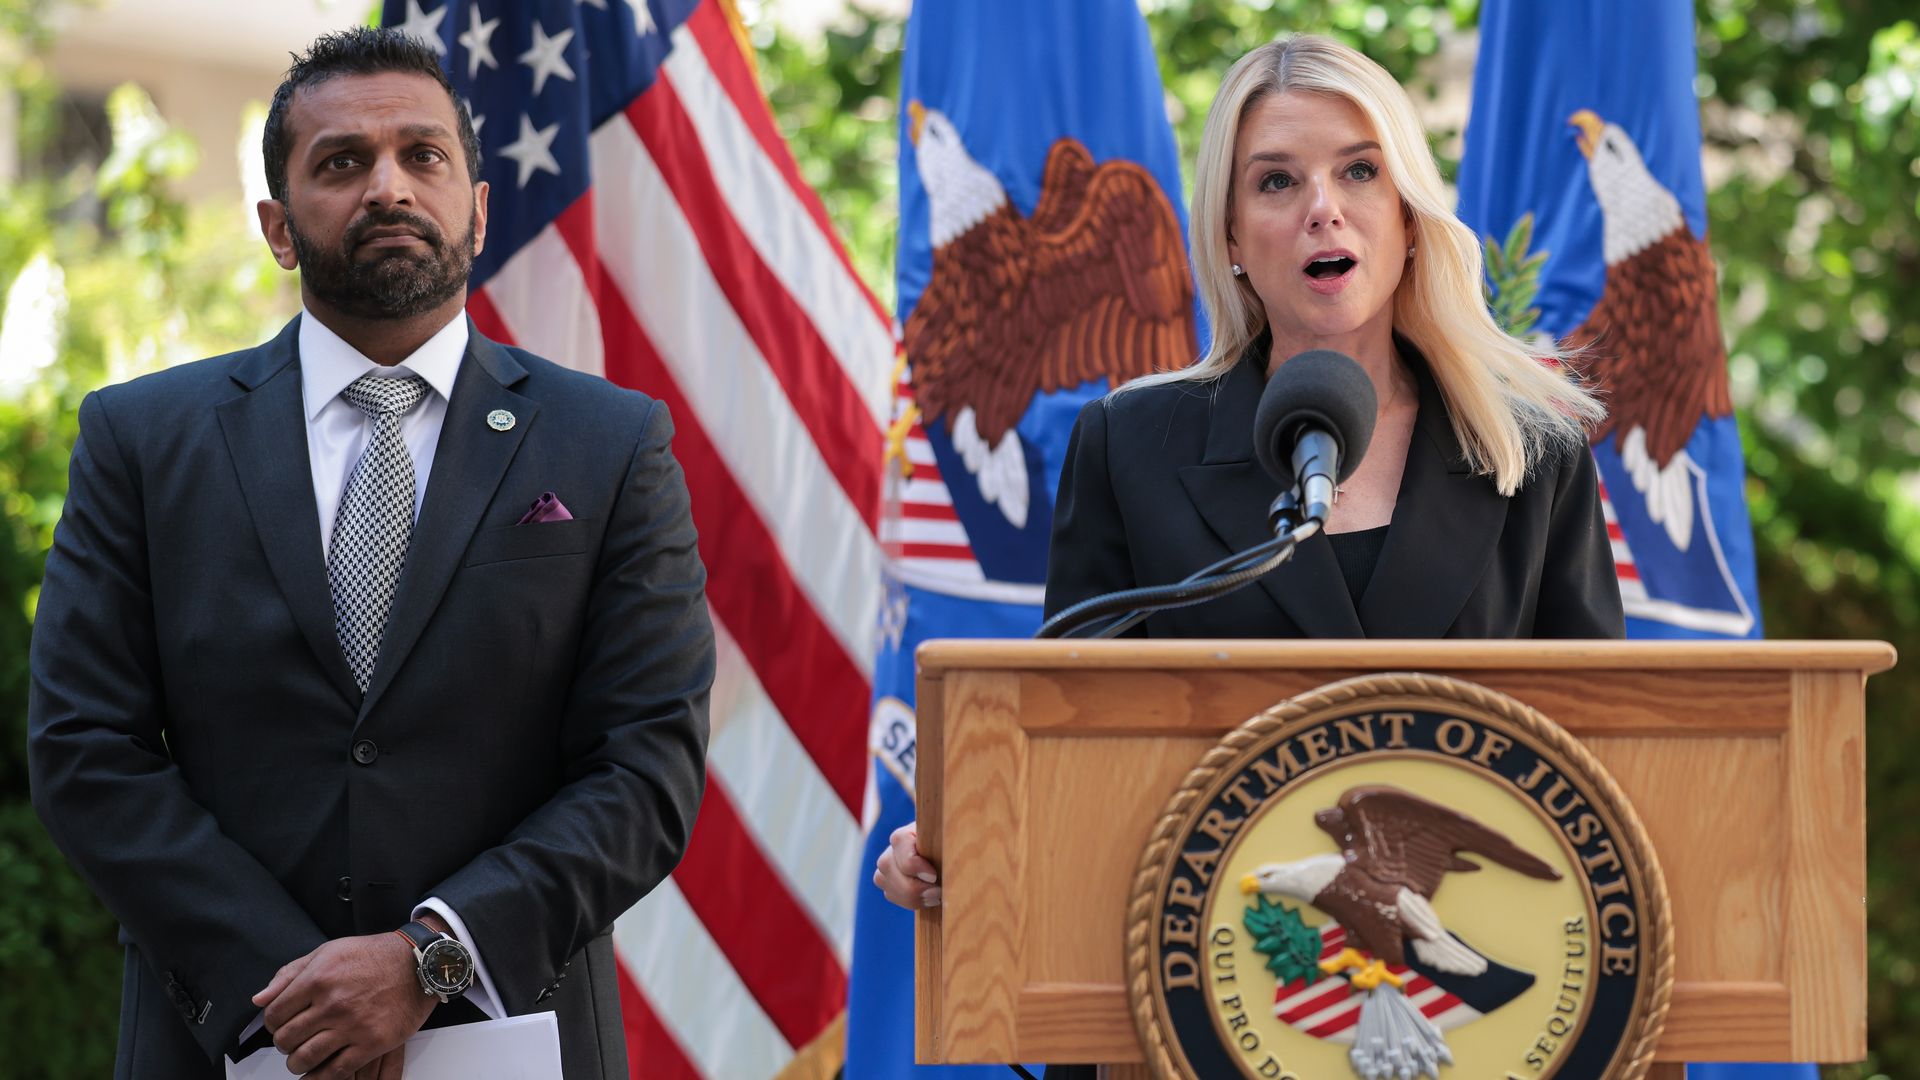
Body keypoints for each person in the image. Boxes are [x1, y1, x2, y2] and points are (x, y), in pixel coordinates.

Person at [871, 32, 1624, 1067]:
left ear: (1407, 212)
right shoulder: (1132, 446)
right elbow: (1067, 746)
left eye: (1360, 170)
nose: (1325, 205)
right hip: (1193, 1021)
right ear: (1229, 235)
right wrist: (958, 853)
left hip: (1486, 1034)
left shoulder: (1531, 453)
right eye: (1278, 181)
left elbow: (1605, 770)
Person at [27, 28, 713, 1080]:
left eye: (423, 156)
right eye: (341, 162)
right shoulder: (141, 441)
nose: (387, 187)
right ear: (278, 226)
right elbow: (86, 751)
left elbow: (647, 764)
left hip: (511, 1034)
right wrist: (297, 994)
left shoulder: (612, 445)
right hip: (223, 1040)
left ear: (479, 210)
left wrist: (427, 960)